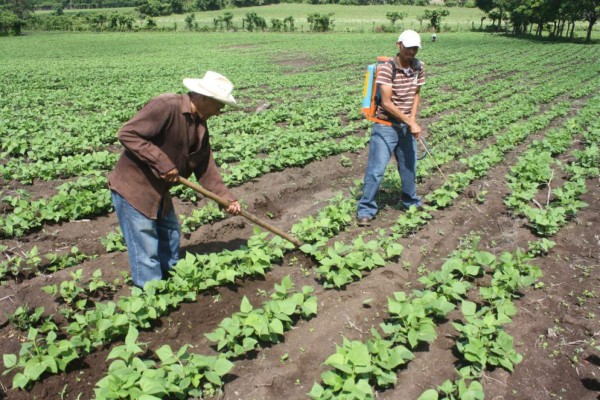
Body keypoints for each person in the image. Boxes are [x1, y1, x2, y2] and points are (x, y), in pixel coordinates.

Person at [108, 71, 242, 288]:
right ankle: (149, 295)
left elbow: (205, 166)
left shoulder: (200, 125)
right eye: (220, 105)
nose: (220, 111)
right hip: (134, 187)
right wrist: (162, 162)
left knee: (170, 234)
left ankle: (172, 283)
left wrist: (226, 198)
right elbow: (127, 133)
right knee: (145, 245)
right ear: (205, 98)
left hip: (159, 190)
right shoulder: (166, 106)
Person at [357, 30, 426, 227]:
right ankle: (366, 208)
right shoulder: (387, 69)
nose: (411, 51)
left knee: (409, 166)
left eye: (415, 48)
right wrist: (410, 122)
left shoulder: (419, 67)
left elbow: (416, 94)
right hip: (385, 125)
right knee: (377, 169)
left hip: (405, 125)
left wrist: (411, 119)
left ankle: (410, 200)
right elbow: (386, 103)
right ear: (399, 45)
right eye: (408, 47)